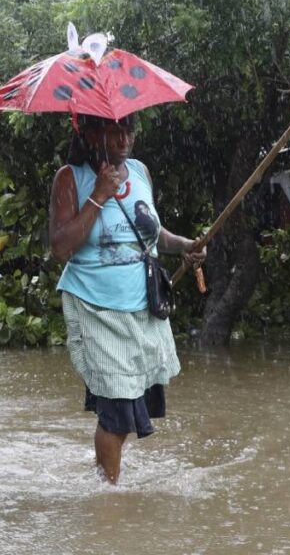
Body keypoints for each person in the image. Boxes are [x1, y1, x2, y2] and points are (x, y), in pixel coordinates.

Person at [48, 114, 206, 484]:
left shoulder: (140, 172)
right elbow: (61, 248)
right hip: (96, 307)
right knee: (117, 413)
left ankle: (103, 478)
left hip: (141, 304)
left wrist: (185, 246)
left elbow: (150, 232)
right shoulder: (70, 178)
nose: (124, 140)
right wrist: (99, 195)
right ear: (89, 135)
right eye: (114, 132)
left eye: (128, 131)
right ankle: (109, 499)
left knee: (129, 407)